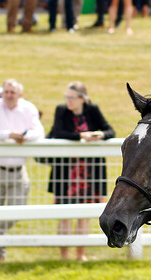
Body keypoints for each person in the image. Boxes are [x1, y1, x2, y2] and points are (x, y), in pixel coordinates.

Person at [0, 79, 45, 262]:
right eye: (5, 91)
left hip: (18, 170)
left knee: (17, 211)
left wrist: (25, 137)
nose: (8, 95)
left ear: (19, 95)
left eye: (12, 92)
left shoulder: (28, 108)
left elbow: (39, 132)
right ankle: (0, 254)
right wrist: (9, 135)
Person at [46, 82, 115, 261]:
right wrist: (81, 136)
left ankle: (80, 255)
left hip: (89, 173)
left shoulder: (92, 110)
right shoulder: (61, 110)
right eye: (66, 97)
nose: (68, 101)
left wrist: (99, 135)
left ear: (82, 99)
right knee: (65, 215)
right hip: (66, 174)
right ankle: (63, 256)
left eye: (72, 97)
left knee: (84, 215)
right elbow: (59, 132)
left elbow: (110, 131)